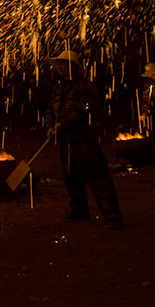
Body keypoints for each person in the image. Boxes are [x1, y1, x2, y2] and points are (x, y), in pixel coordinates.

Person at [47, 50, 123, 228]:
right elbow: (50, 109)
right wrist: (51, 126)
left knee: (97, 177)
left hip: (84, 139)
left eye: (63, 64)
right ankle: (79, 211)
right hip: (66, 141)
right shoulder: (59, 89)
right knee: (71, 177)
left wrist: (63, 124)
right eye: (58, 64)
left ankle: (112, 216)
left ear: (73, 67)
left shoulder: (85, 86)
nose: (59, 67)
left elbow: (86, 109)